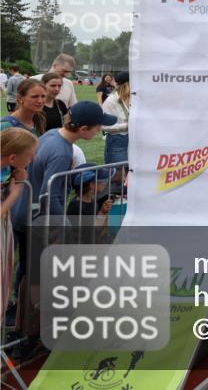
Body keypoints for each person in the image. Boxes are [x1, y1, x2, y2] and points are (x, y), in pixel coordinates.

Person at [9, 101, 116, 346]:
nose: (100, 130)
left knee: (28, 270)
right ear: (84, 128)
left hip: (25, 212)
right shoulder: (62, 151)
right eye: (98, 126)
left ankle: (24, 327)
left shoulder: (50, 135)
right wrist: (64, 229)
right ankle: (30, 333)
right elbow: (51, 195)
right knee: (39, 276)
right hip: (37, 219)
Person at [2, 128, 37, 320]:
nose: (32, 160)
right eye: (29, 156)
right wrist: (15, 194)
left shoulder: (7, 170)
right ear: (13, 158)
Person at [101, 72, 130, 165]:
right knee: (118, 171)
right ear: (127, 84)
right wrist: (126, 126)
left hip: (134, 139)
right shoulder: (111, 100)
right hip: (117, 140)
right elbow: (103, 126)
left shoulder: (136, 98)